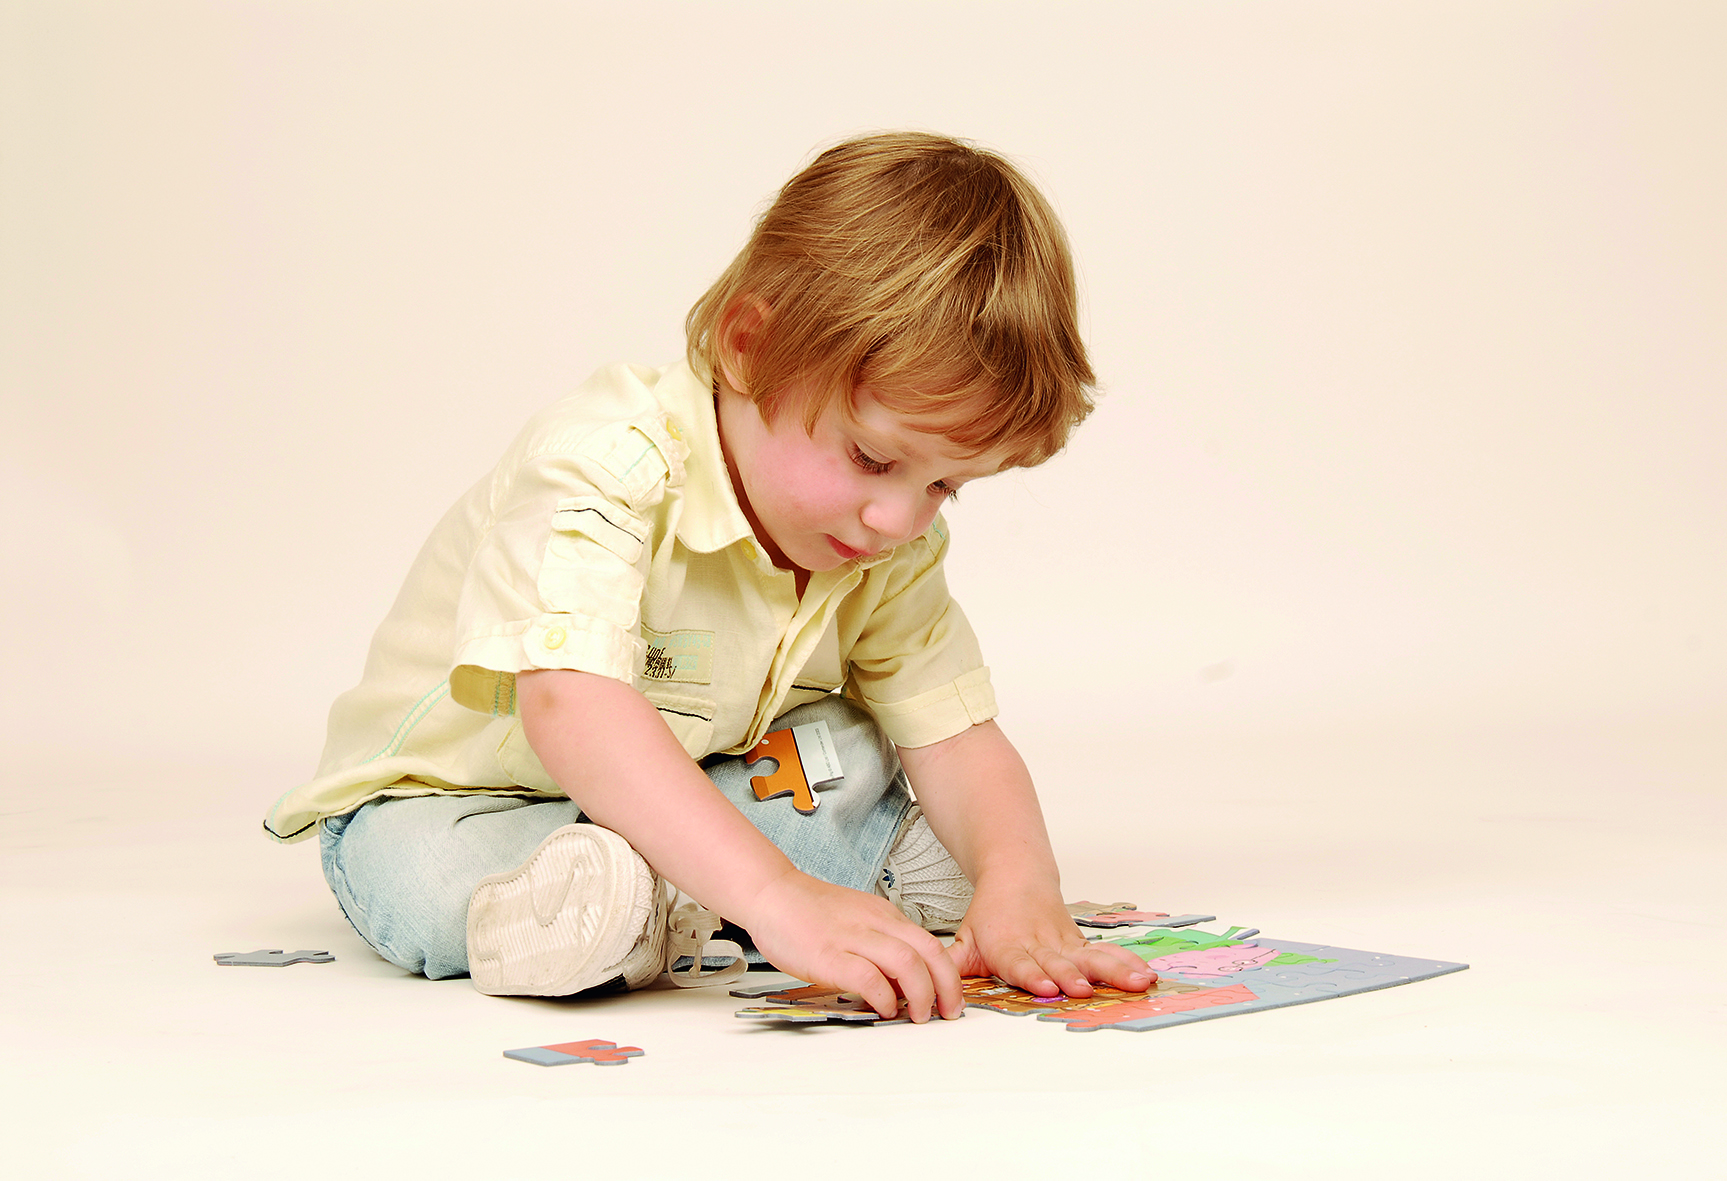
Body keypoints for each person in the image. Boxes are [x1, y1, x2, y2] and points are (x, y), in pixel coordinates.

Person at [264, 131, 1156, 1022]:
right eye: (871, 457)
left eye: (945, 486)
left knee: (840, 746)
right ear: (746, 346)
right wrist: (772, 894)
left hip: (697, 771)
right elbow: (567, 702)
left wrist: (1020, 882)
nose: (899, 518)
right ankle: (650, 898)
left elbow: (956, 734)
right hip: (457, 799)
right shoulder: (606, 464)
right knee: (419, 875)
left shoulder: (885, 536)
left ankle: (683, 893)